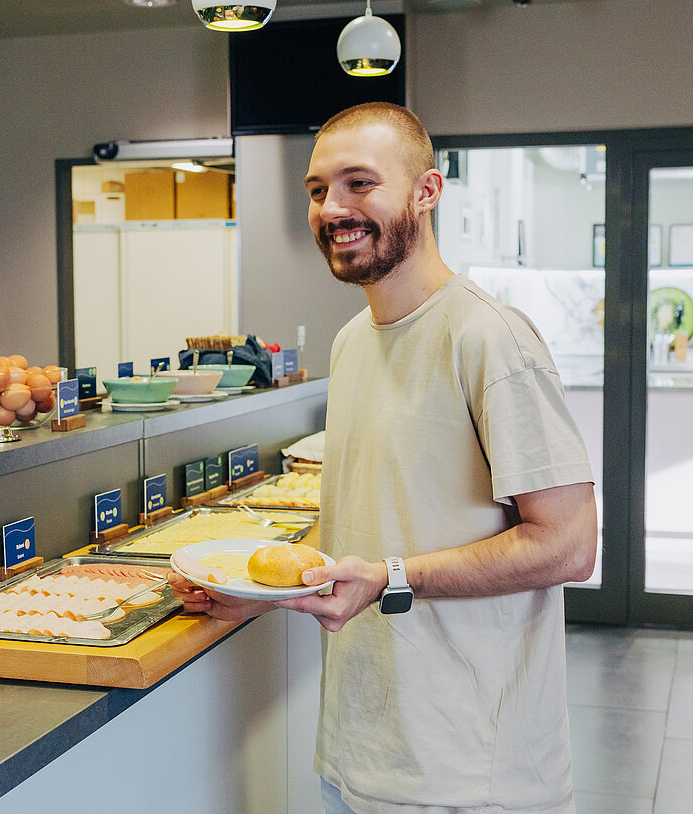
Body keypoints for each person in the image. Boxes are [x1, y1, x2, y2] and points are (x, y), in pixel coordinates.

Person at [168, 102, 598, 814]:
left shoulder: (490, 339)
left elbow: (570, 543)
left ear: (426, 191)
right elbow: (358, 532)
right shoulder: (351, 343)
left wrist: (391, 577)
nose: (333, 208)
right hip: (359, 753)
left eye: (359, 183)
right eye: (317, 189)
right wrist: (245, 592)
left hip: (466, 775)